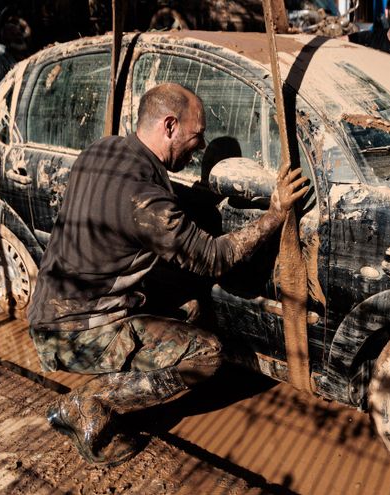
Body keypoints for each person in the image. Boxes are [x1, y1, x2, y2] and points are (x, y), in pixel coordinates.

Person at [27, 82, 308, 466]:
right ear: (170, 126)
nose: (201, 147)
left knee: (189, 304)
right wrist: (275, 214)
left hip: (49, 308)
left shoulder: (104, 148)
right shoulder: (145, 200)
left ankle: (112, 383)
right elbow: (213, 258)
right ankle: (89, 403)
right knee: (206, 354)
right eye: (197, 136)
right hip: (78, 330)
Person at [0, 16, 31, 87]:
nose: (19, 37)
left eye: (19, 34)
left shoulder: (30, 57)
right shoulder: (0, 63)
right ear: (7, 41)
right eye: (13, 35)